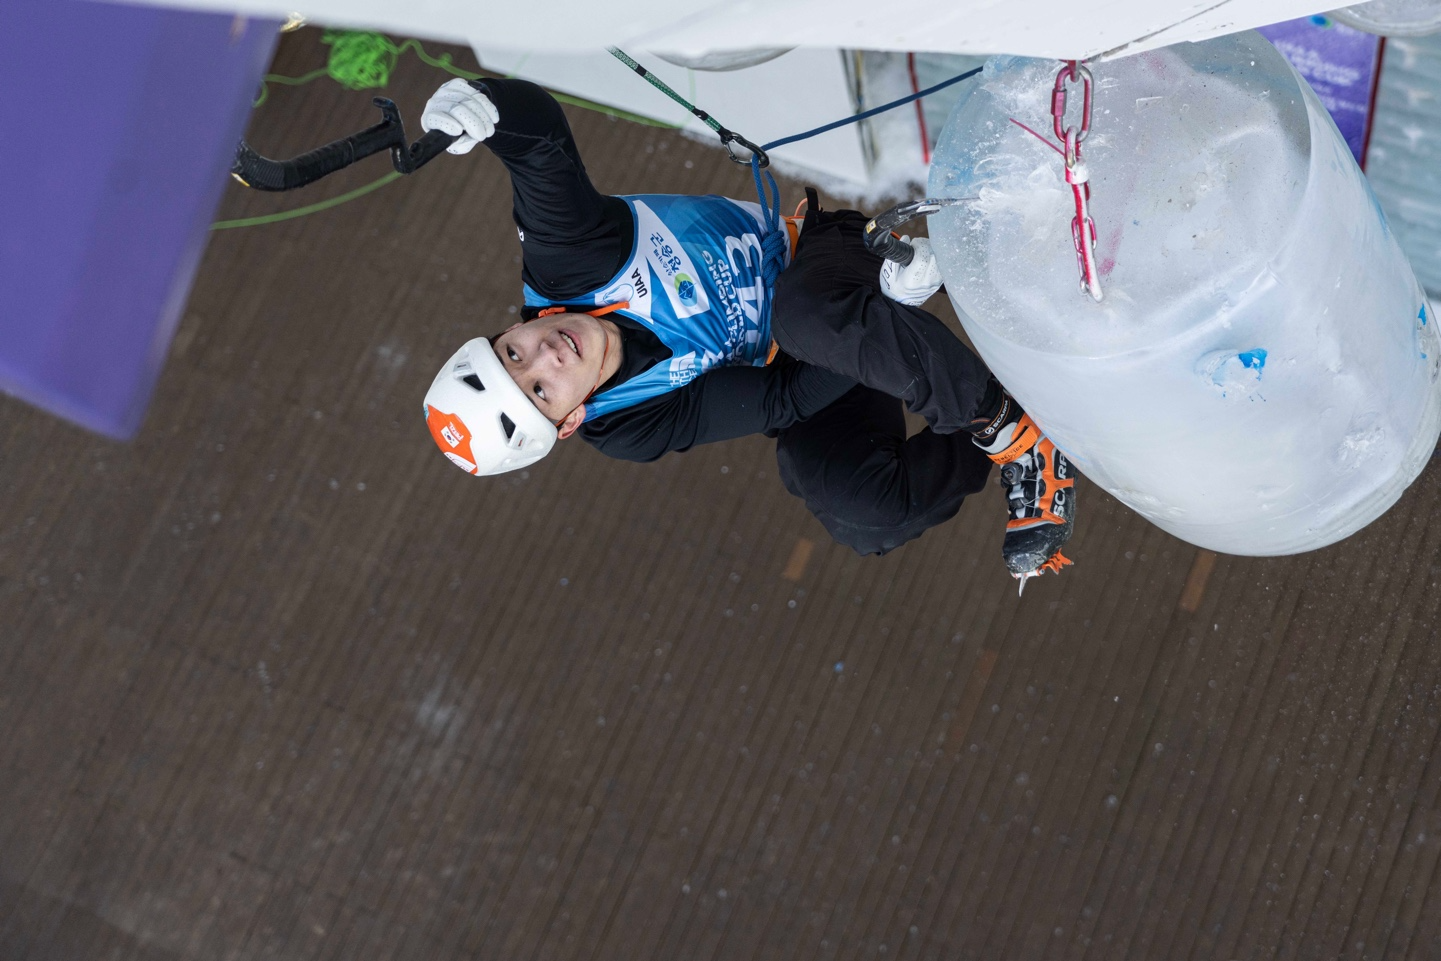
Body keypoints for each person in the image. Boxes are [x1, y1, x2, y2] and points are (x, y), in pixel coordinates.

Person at [418, 78, 1075, 583]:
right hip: (806, 363)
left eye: (512, 349)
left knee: (803, 315)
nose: (545, 354)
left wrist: (483, 102)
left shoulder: (571, 263)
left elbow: (540, 147)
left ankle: (1007, 433)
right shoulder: (624, 427)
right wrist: (881, 318)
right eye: (538, 389)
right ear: (567, 421)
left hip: (820, 267)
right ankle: (1029, 411)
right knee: (863, 512)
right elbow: (781, 400)